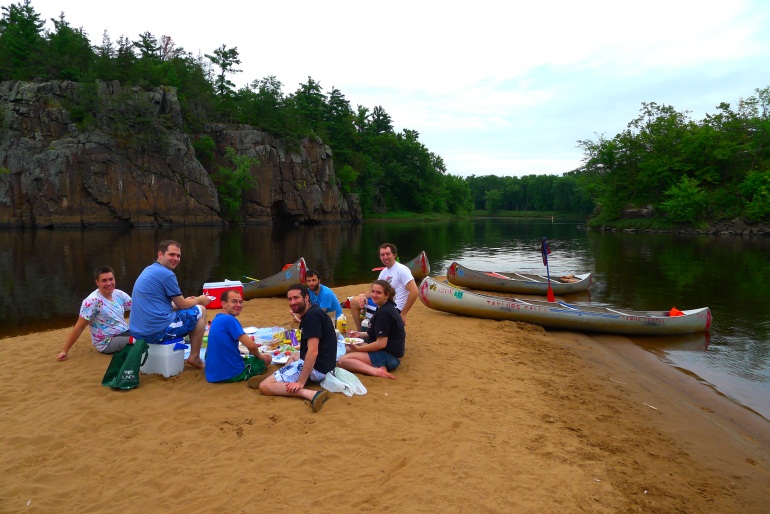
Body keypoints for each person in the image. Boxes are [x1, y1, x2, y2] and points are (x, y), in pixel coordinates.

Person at [129, 240, 210, 368]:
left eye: (178, 256)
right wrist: (200, 299)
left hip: (137, 332)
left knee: (190, 308)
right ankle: (194, 356)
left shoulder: (149, 270)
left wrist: (187, 302)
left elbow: (166, 305)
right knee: (201, 310)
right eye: (171, 254)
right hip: (156, 332)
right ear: (160, 254)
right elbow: (183, 304)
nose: (176, 259)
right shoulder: (166, 274)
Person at [257, 283, 336, 412]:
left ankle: (311, 394)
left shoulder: (312, 317)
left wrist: (300, 382)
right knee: (293, 356)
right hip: (327, 363)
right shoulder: (312, 311)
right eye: (289, 299)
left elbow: (313, 351)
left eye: (296, 298)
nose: (292, 302)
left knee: (264, 386)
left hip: (318, 367)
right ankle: (279, 377)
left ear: (306, 298)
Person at [57, 266, 132, 361]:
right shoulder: (92, 302)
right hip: (107, 342)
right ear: (97, 282)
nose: (109, 283)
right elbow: (79, 327)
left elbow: (138, 307)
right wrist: (65, 351)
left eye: (111, 279)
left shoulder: (118, 294)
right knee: (138, 342)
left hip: (124, 331)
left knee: (148, 334)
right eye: (104, 280)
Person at [340, 280, 404, 380]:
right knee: (348, 349)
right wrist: (359, 334)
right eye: (373, 292)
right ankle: (373, 365)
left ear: (387, 295)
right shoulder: (385, 306)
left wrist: (358, 349)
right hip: (388, 351)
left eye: (378, 293)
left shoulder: (384, 313)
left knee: (343, 361)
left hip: (390, 356)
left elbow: (381, 343)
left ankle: (377, 371)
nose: (374, 295)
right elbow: (378, 334)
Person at [205, 289, 272, 383]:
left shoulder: (216, 319)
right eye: (234, 301)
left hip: (212, 374)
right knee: (267, 357)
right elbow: (251, 346)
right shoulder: (230, 320)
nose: (238, 305)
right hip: (230, 374)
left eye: (240, 302)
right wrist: (260, 356)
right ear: (224, 304)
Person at [350, 243, 418, 331]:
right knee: (357, 299)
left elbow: (414, 292)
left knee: (353, 302)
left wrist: (403, 314)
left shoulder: (402, 270)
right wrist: (363, 296)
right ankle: (364, 331)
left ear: (394, 255)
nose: (385, 257)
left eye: (388, 254)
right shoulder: (384, 272)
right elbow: (374, 290)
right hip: (383, 304)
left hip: (394, 309)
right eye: (382, 255)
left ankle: (360, 333)